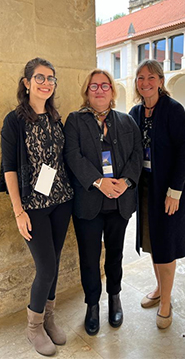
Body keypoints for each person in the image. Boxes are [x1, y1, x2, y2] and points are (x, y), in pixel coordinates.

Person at [0, 57, 73, 356]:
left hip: (62, 200)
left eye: (51, 78)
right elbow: (9, 169)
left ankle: (49, 319)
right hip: (34, 205)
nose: (46, 83)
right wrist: (18, 211)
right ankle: (33, 327)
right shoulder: (14, 120)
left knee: (53, 264)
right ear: (27, 82)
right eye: (40, 78)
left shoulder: (56, 117)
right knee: (46, 267)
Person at [64, 69, 143, 336]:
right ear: (86, 91)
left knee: (115, 255)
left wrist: (126, 182)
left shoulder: (126, 121)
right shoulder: (75, 120)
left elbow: (136, 155)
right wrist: (99, 181)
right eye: (94, 86)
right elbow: (72, 156)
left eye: (105, 85)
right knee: (89, 258)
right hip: (89, 203)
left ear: (112, 90)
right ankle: (92, 305)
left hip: (119, 202)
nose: (99, 90)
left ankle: (115, 298)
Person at [129, 59, 185, 329]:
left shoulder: (173, 110)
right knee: (153, 240)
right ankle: (159, 288)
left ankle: (166, 301)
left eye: (151, 77)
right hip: (146, 187)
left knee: (166, 243)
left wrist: (175, 191)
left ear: (161, 80)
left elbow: (184, 151)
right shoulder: (135, 112)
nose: (145, 82)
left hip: (170, 188)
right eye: (141, 78)